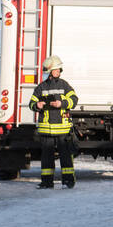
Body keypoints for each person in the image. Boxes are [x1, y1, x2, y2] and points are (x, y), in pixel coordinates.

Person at [29, 55, 78, 189]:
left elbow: (74, 100)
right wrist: (37, 105)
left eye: (59, 70)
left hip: (62, 129)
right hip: (46, 130)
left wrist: (61, 104)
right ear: (50, 71)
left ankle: (68, 182)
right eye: (57, 69)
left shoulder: (64, 85)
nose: (59, 72)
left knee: (66, 157)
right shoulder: (41, 87)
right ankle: (46, 182)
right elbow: (31, 104)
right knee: (46, 158)